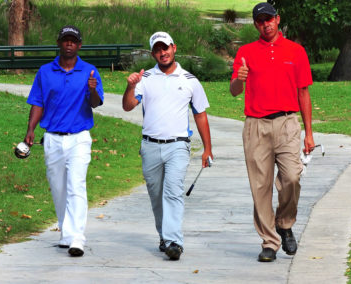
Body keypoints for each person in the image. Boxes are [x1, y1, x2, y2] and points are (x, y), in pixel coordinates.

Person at [230, 2, 315, 262]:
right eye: (260, 21)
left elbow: (304, 92)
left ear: (278, 20)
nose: (265, 24)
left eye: (269, 19)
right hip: (256, 124)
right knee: (260, 186)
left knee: (291, 177)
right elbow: (234, 91)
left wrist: (309, 134)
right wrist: (239, 78)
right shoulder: (245, 52)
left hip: (287, 122)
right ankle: (269, 241)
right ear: (256, 24)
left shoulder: (296, 51)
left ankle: (285, 223)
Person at [122, 31, 213, 261]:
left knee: (173, 191)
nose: (163, 52)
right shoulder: (146, 79)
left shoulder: (190, 80)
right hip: (150, 146)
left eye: (166, 48)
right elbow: (128, 105)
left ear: (174, 48)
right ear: (153, 53)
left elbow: (200, 114)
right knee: (156, 194)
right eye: (157, 49)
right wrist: (130, 86)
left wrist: (207, 148)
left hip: (178, 146)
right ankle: (164, 236)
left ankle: (174, 242)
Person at [24, 25, 104, 257]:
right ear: (59, 43)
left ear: (79, 45)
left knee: (76, 185)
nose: (69, 44)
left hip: (79, 137)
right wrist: (30, 129)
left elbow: (96, 103)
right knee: (58, 188)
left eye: (73, 41)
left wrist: (92, 90)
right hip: (52, 138)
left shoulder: (89, 71)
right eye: (65, 40)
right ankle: (66, 233)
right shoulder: (45, 71)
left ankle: (77, 237)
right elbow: (38, 102)